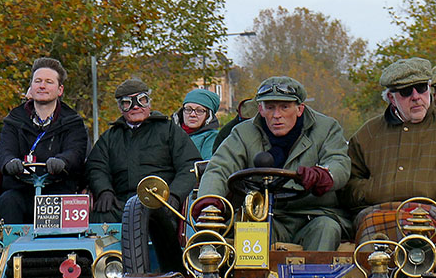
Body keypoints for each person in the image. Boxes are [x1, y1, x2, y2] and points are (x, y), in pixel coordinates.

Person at [338, 57, 436, 242]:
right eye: (405, 92)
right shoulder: (368, 134)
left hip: (434, 210)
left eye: (421, 88)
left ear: (429, 89)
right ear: (391, 98)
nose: (416, 97)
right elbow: (347, 180)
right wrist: (370, 191)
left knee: (418, 238)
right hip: (377, 212)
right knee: (371, 239)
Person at [195, 76, 351, 251]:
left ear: (300, 109)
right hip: (262, 215)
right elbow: (219, 168)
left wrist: (322, 175)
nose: (277, 116)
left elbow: (339, 163)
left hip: (314, 214)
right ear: (260, 110)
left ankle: (317, 276)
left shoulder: (327, 128)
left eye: (285, 107)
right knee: (244, 229)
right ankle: (247, 277)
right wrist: (210, 203)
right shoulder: (243, 133)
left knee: (327, 228)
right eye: (270, 108)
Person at [86, 78, 200, 223]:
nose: (135, 107)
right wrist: (104, 190)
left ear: (149, 103)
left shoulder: (169, 130)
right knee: (100, 217)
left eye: (142, 100)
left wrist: (175, 195)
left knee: (161, 221)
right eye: (128, 103)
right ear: (120, 108)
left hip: (161, 203)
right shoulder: (110, 137)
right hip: (120, 205)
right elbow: (96, 167)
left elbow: (190, 165)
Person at [0, 58, 88, 224]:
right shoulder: (14, 120)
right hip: (21, 190)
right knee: (7, 201)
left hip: (59, 191)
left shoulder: (73, 122)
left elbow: (76, 152)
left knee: (71, 209)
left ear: (60, 90)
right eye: (38, 81)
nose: (42, 86)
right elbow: (4, 151)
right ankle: (11, 248)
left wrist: (62, 161)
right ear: (31, 86)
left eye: (48, 82)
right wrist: (10, 162)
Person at [172, 88, 221, 159]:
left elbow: (207, 166)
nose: (192, 114)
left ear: (208, 115)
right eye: (188, 109)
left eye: (199, 110)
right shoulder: (170, 134)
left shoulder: (212, 137)